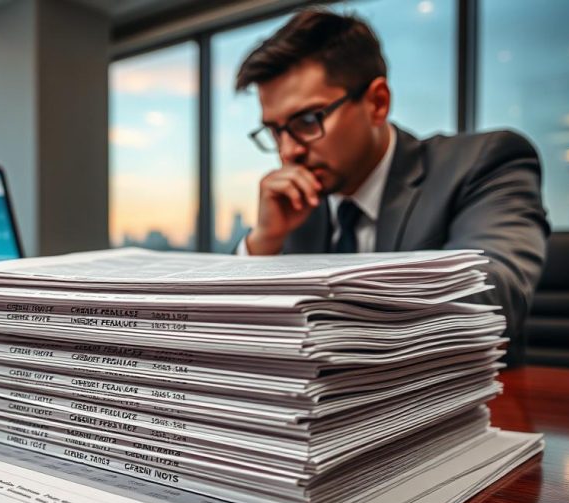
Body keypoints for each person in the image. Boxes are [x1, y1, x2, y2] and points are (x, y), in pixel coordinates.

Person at [234, 9, 549, 364]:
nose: (288, 151)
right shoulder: (296, 206)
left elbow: (493, 298)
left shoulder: (484, 163)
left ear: (377, 102)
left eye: (307, 120)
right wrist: (263, 243)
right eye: (276, 130)